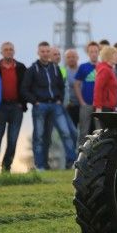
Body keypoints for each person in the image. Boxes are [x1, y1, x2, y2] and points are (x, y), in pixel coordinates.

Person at [22, 41, 77, 171]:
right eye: (43, 51)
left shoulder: (54, 68)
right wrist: (34, 101)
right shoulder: (32, 69)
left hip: (55, 105)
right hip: (40, 106)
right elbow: (24, 89)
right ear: (38, 52)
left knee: (66, 133)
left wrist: (59, 99)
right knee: (40, 136)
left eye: (47, 51)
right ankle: (40, 166)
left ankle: (72, 163)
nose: (45, 54)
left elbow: (61, 86)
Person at [0, 42, 27, 173]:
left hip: (16, 107)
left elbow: (26, 86)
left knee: (12, 140)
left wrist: (23, 103)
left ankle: (6, 167)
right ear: (1, 52)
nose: (8, 51)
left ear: (14, 51)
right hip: (0, 107)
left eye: (11, 49)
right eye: (6, 50)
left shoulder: (21, 67)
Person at [74, 41, 100, 145]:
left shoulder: (103, 66)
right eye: (91, 52)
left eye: (95, 51)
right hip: (86, 104)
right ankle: (81, 158)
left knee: (100, 132)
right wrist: (81, 101)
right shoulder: (83, 67)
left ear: (99, 52)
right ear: (88, 53)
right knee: (84, 131)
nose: (93, 53)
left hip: (99, 105)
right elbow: (76, 84)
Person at [93, 45, 117, 113]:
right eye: (115, 54)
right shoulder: (105, 70)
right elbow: (98, 88)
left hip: (110, 107)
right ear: (109, 56)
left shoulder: (110, 69)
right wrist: (98, 107)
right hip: (104, 107)